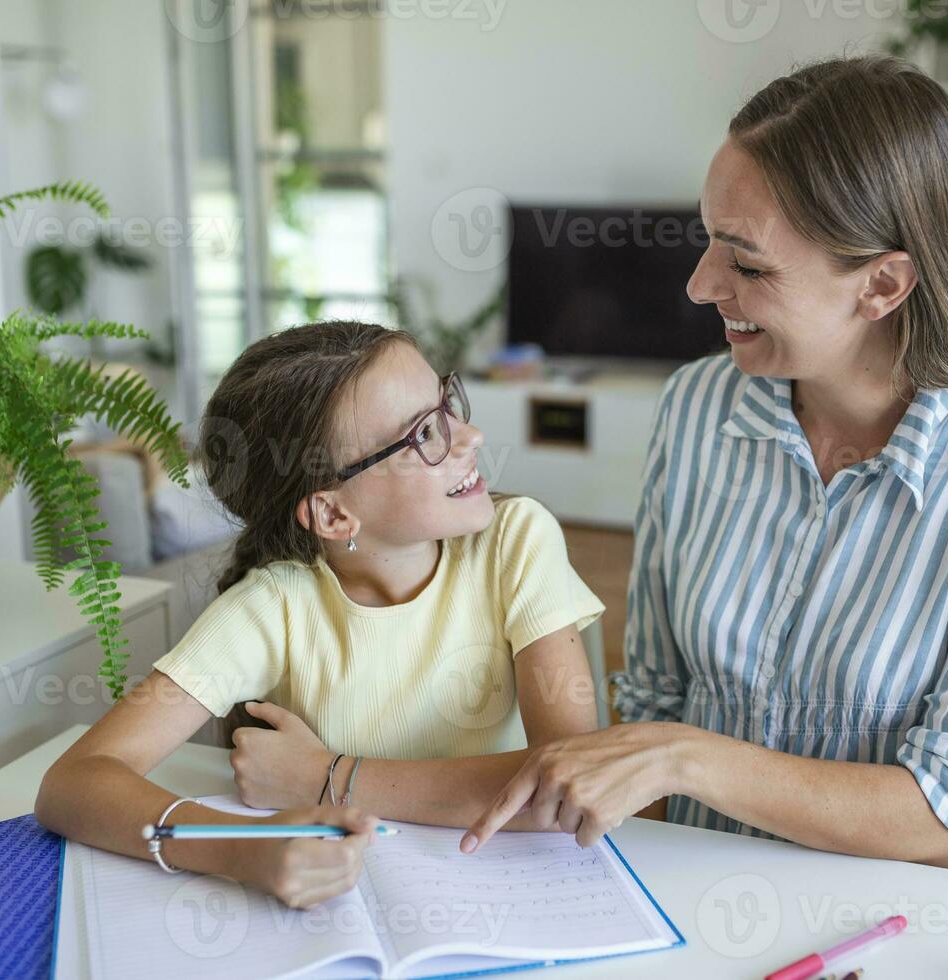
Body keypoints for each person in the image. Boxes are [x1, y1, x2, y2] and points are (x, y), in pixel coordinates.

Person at [461, 55, 948, 887]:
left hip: (921, 916)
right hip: (705, 885)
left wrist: (685, 759)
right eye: (707, 242)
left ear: (883, 284)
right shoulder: (698, 407)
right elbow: (659, 696)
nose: (701, 286)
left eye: (749, 264)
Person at [36, 320, 605, 905]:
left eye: (447, 404)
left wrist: (330, 778)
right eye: (425, 434)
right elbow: (73, 784)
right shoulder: (272, 608)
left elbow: (574, 780)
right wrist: (240, 848)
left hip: (508, 889)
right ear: (333, 516)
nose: (471, 436)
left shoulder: (516, 540)